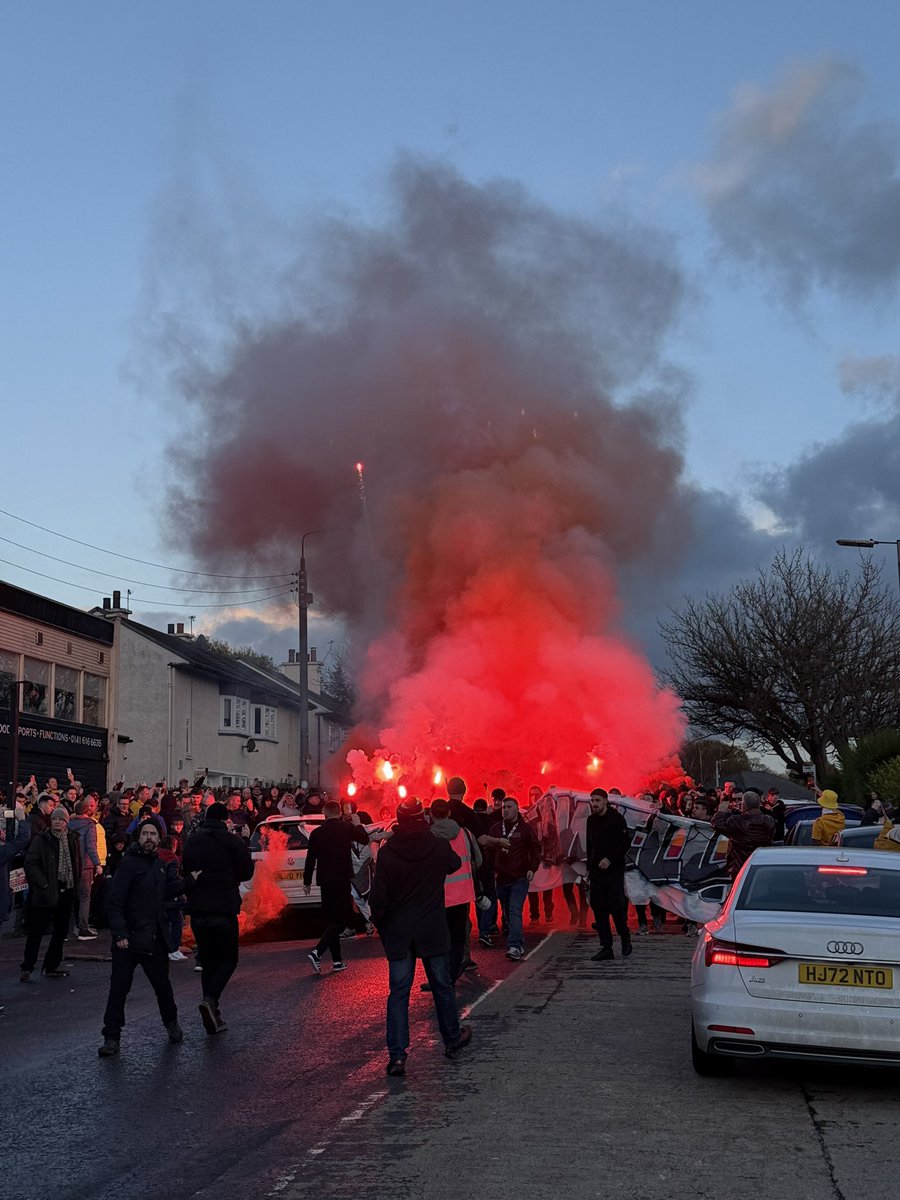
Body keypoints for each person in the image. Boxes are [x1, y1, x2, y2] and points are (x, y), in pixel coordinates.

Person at [369, 796, 471, 1077]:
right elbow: (453, 864)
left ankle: (398, 1056)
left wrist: (380, 922)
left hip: (400, 932)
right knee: (442, 987)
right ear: (422, 819)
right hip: (432, 928)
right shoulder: (436, 846)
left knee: (399, 992)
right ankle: (452, 1040)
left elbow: (379, 897)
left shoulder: (389, 853)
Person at [98, 820, 184, 1057]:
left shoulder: (159, 864)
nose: (149, 837)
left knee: (163, 987)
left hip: (153, 939)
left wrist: (192, 882)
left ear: (159, 838)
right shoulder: (128, 864)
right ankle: (112, 1037)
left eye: (153, 834)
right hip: (128, 941)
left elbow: (166, 891)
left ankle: (172, 1025)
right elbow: (114, 902)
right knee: (118, 990)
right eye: (145, 833)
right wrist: (120, 934)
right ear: (139, 837)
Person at [182, 801, 254, 1034]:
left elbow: (187, 869)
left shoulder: (192, 841)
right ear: (225, 820)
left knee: (209, 961)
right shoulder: (232, 842)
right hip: (223, 909)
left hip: (199, 910)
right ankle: (211, 1000)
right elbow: (246, 872)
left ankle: (213, 1011)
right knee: (228, 959)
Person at [303, 799, 370, 973]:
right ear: (339, 813)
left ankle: (337, 961)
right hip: (341, 879)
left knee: (332, 920)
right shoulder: (346, 828)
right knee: (340, 922)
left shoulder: (317, 833)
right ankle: (318, 952)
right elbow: (364, 839)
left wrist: (307, 881)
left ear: (325, 813)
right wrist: (358, 824)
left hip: (325, 880)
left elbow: (311, 859)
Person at [20, 806, 82, 981]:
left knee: (61, 931)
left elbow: (76, 862)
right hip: (46, 892)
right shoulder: (41, 840)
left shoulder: (72, 839)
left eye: (61, 819)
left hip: (66, 890)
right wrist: (44, 883)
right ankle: (27, 966)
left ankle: (52, 964)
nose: (57, 822)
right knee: (37, 930)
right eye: (55, 819)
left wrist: (76, 885)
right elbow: (31, 864)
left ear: (66, 822)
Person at [428, 798, 481, 983]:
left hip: (437, 897)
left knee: (439, 940)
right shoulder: (466, 834)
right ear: (449, 813)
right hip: (463, 894)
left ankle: (441, 977)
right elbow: (478, 861)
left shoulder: (428, 837)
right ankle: (452, 974)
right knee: (458, 938)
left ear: (432, 815)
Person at [484, 796, 540, 961]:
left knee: (515, 910)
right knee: (508, 912)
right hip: (501, 879)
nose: (505, 810)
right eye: (503, 807)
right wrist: (491, 869)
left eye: (509, 807)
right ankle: (518, 942)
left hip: (519, 878)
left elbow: (536, 849)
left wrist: (532, 868)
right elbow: (488, 851)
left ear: (517, 809)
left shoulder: (525, 829)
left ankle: (514, 946)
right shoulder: (495, 829)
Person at [585, 787, 632, 962]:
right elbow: (590, 845)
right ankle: (606, 947)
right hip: (597, 872)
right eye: (593, 801)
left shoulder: (617, 819)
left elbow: (625, 843)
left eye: (597, 800)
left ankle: (624, 935)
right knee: (599, 909)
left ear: (605, 800)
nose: (595, 804)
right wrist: (589, 870)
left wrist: (610, 859)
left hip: (613, 872)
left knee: (616, 907)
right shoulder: (591, 821)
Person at [711, 790, 775, 879]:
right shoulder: (769, 820)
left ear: (743, 804)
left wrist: (721, 811)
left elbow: (717, 824)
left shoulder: (737, 821)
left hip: (740, 866)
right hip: (762, 866)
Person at [70, 798, 103, 940]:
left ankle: (70, 928)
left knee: (70, 897)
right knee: (85, 897)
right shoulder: (90, 825)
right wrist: (97, 863)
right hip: (85, 865)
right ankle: (83, 927)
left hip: (71, 864)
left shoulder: (69, 825)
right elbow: (91, 846)